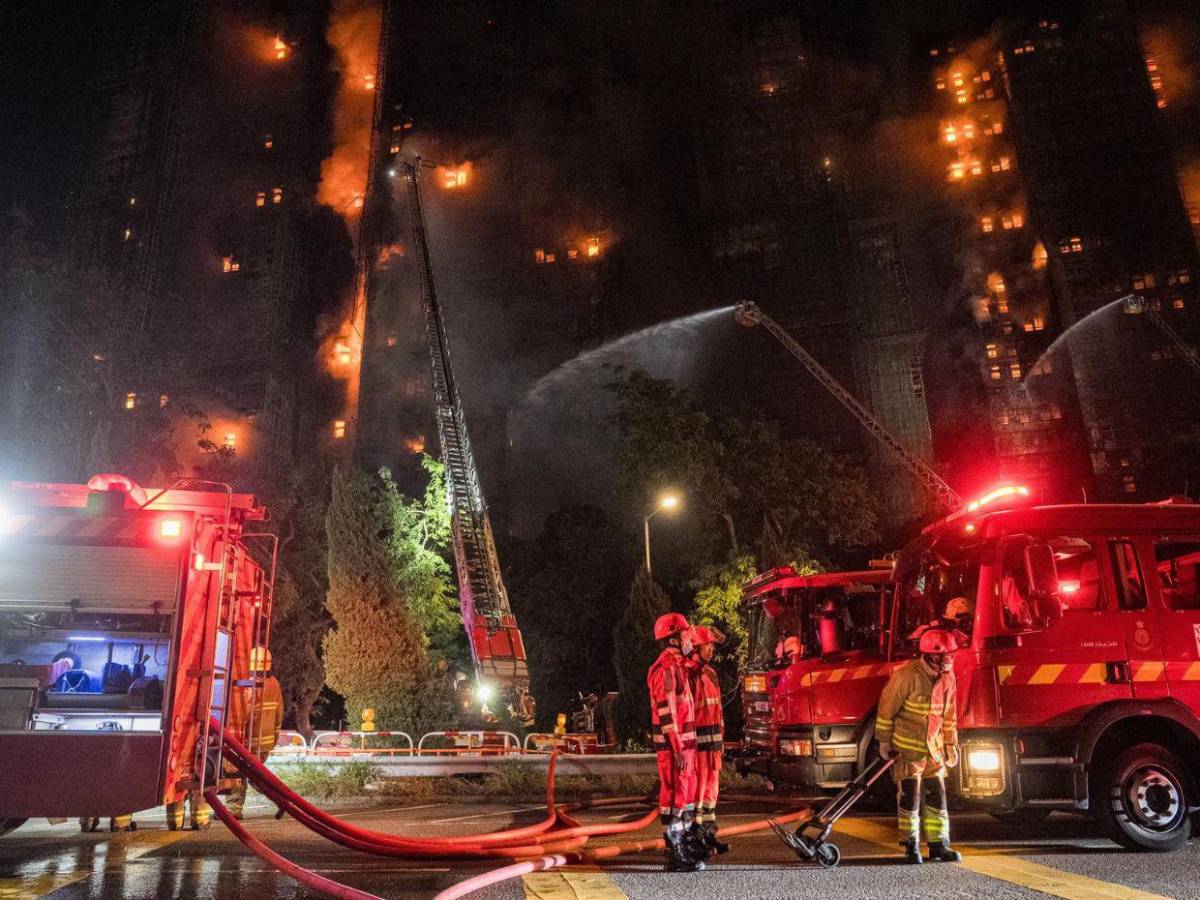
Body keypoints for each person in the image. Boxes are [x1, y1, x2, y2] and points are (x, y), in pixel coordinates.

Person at [874, 625, 962, 864]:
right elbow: (886, 710)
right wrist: (884, 741)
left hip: (934, 751)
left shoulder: (948, 678)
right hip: (907, 750)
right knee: (909, 797)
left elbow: (949, 716)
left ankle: (938, 845)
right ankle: (911, 845)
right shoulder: (907, 676)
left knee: (938, 796)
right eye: (947, 655)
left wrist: (951, 744)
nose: (950, 659)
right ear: (932, 654)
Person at [648, 612, 703, 872]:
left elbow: (696, 668)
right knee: (674, 798)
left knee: (686, 798)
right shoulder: (666, 669)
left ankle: (683, 845)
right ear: (672, 638)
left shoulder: (677, 666)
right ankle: (674, 849)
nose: (688, 637)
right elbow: (666, 712)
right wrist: (678, 749)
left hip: (685, 748)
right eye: (684, 634)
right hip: (674, 750)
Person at [226, 646, 284, 820]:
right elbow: (279, 714)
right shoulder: (274, 684)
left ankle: (233, 809)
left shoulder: (251, 685)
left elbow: (245, 713)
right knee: (255, 777)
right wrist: (274, 738)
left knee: (238, 773)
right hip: (265, 743)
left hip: (249, 742)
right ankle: (281, 799)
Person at [687, 625, 730, 856]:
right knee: (698, 788)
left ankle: (709, 833)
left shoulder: (711, 673)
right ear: (696, 646)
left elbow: (718, 710)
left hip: (714, 743)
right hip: (698, 744)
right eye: (708, 645)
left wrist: (721, 740)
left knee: (712, 790)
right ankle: (695, 833)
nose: (711, 649)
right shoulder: (688, 674)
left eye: (713, 645)